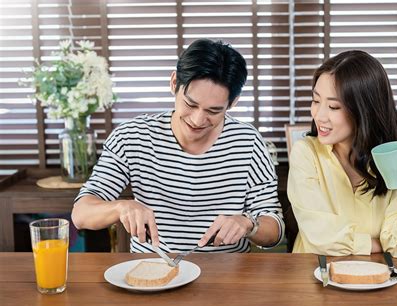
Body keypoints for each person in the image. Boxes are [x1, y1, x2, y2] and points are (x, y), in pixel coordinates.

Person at [72, 39, 284, 253]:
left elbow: (275, 229)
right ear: (174, 83)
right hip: (152, 275)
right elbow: (81, 214)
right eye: (190, 104)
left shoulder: (248, 142)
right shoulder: (132, 136)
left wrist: (249, 224)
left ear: (233, 102)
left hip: (227, 276)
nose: (198, 119)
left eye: (213, 111)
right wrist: (120, 207)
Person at [287, 50, 397, 259]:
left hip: (380, 276)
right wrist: (377, 244)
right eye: (315, 101)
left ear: (364, 109)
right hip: (314, 273)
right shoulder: (305, 152)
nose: (319, 115)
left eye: (333, 106)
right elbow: (319, 237)